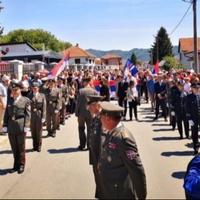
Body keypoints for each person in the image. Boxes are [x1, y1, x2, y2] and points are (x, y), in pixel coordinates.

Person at [98, 101, 147, 199]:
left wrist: (141, 196)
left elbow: (137, 169)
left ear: (107, 118)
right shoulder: (112, 132)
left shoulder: (123, 138)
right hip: (111, 189)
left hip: (119, 193)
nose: (100, 120)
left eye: (101, 117)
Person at [4, 80, 31, 174]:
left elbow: (28, 114)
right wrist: (5, 125)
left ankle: (21, 164)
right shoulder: (10, 100)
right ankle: (15, 165)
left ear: (20, 90)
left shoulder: (25, 100)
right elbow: (6, 114)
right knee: (14, 147)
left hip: (20, 126)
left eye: (16, 89)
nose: (14, 91)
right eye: (13, 90)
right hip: (11, 127)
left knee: (21, 147)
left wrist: (27, 125)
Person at [87, 94, 104, 199]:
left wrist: (100, 161)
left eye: (90, 105)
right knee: (98, 181)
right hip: (95, 156)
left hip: (100, 158)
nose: (88, 108)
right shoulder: (95, 118)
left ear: (97, 106)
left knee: (102, 182)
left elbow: (103, 141)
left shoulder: (102, 119)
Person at [75, 77, 98, 150]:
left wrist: (76, 112)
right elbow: (96, 103)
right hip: (91, 113)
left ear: (85, 82)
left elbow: (78, 103)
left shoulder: (81, 91)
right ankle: (89, 145)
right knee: (90, 129)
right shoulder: (94, 91)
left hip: (81, 113)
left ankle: (82, 145)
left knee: (81, 128)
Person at [28, 82, 46, 152]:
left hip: (39, 114)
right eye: (33, 88)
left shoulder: (42, 95)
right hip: (32, 115)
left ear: (38, 88)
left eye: (36, 88)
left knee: (39, 131)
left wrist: (43, 117)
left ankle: (39, 146)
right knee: (33, 131)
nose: (34, 89)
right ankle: (34, 146)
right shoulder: (29, 95)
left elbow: (44, 106)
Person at [186, 83, 200, 155]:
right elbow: (187, 109)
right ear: (192, 89)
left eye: (198, 88)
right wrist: (189, 119)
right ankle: (196, 148)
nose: (197, 89)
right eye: (196, 88)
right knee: (194, 133)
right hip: (193, 118)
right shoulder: (189, 97)